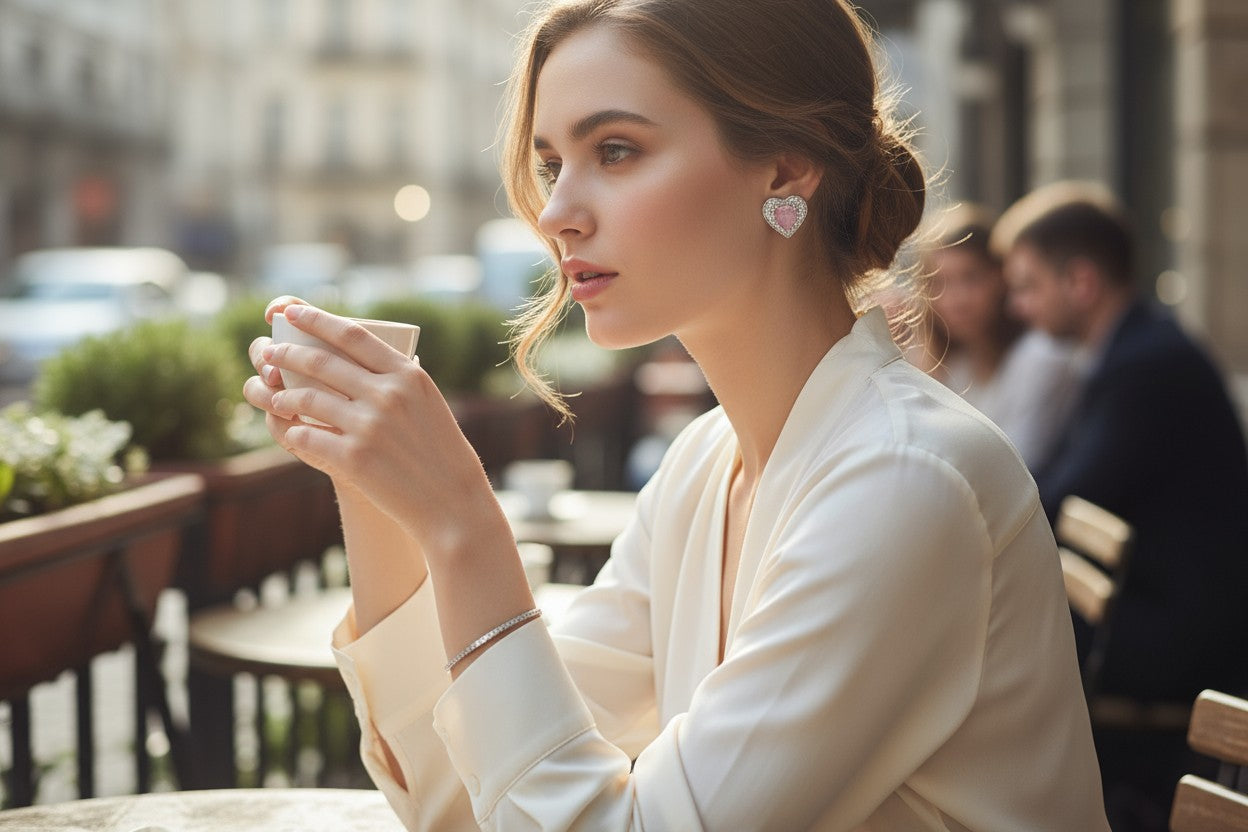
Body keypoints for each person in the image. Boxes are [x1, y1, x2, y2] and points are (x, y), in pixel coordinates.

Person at [243, 2, 1108, 829]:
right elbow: (472, 801)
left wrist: (462, 519)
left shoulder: (904, 482)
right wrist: (370, 477)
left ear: (784, 168)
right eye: (551, 164)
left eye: (615, 150)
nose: (556, 213)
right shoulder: (706, 464)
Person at [995, 181, 1248, 827]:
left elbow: (1059, 496)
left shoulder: (1146, 364)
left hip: (1178, 638)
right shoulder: (1134, 350)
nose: (1018, 307)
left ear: (1080, 281)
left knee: (985, 661)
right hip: (1154, 611)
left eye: (1027, 285)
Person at [914, 204, 1079, 469]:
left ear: (1002, 278)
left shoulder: (1040, 358)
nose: (957, 300)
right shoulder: (954, 368)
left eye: (971, 279)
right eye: (939, 283)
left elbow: (1019, 468)